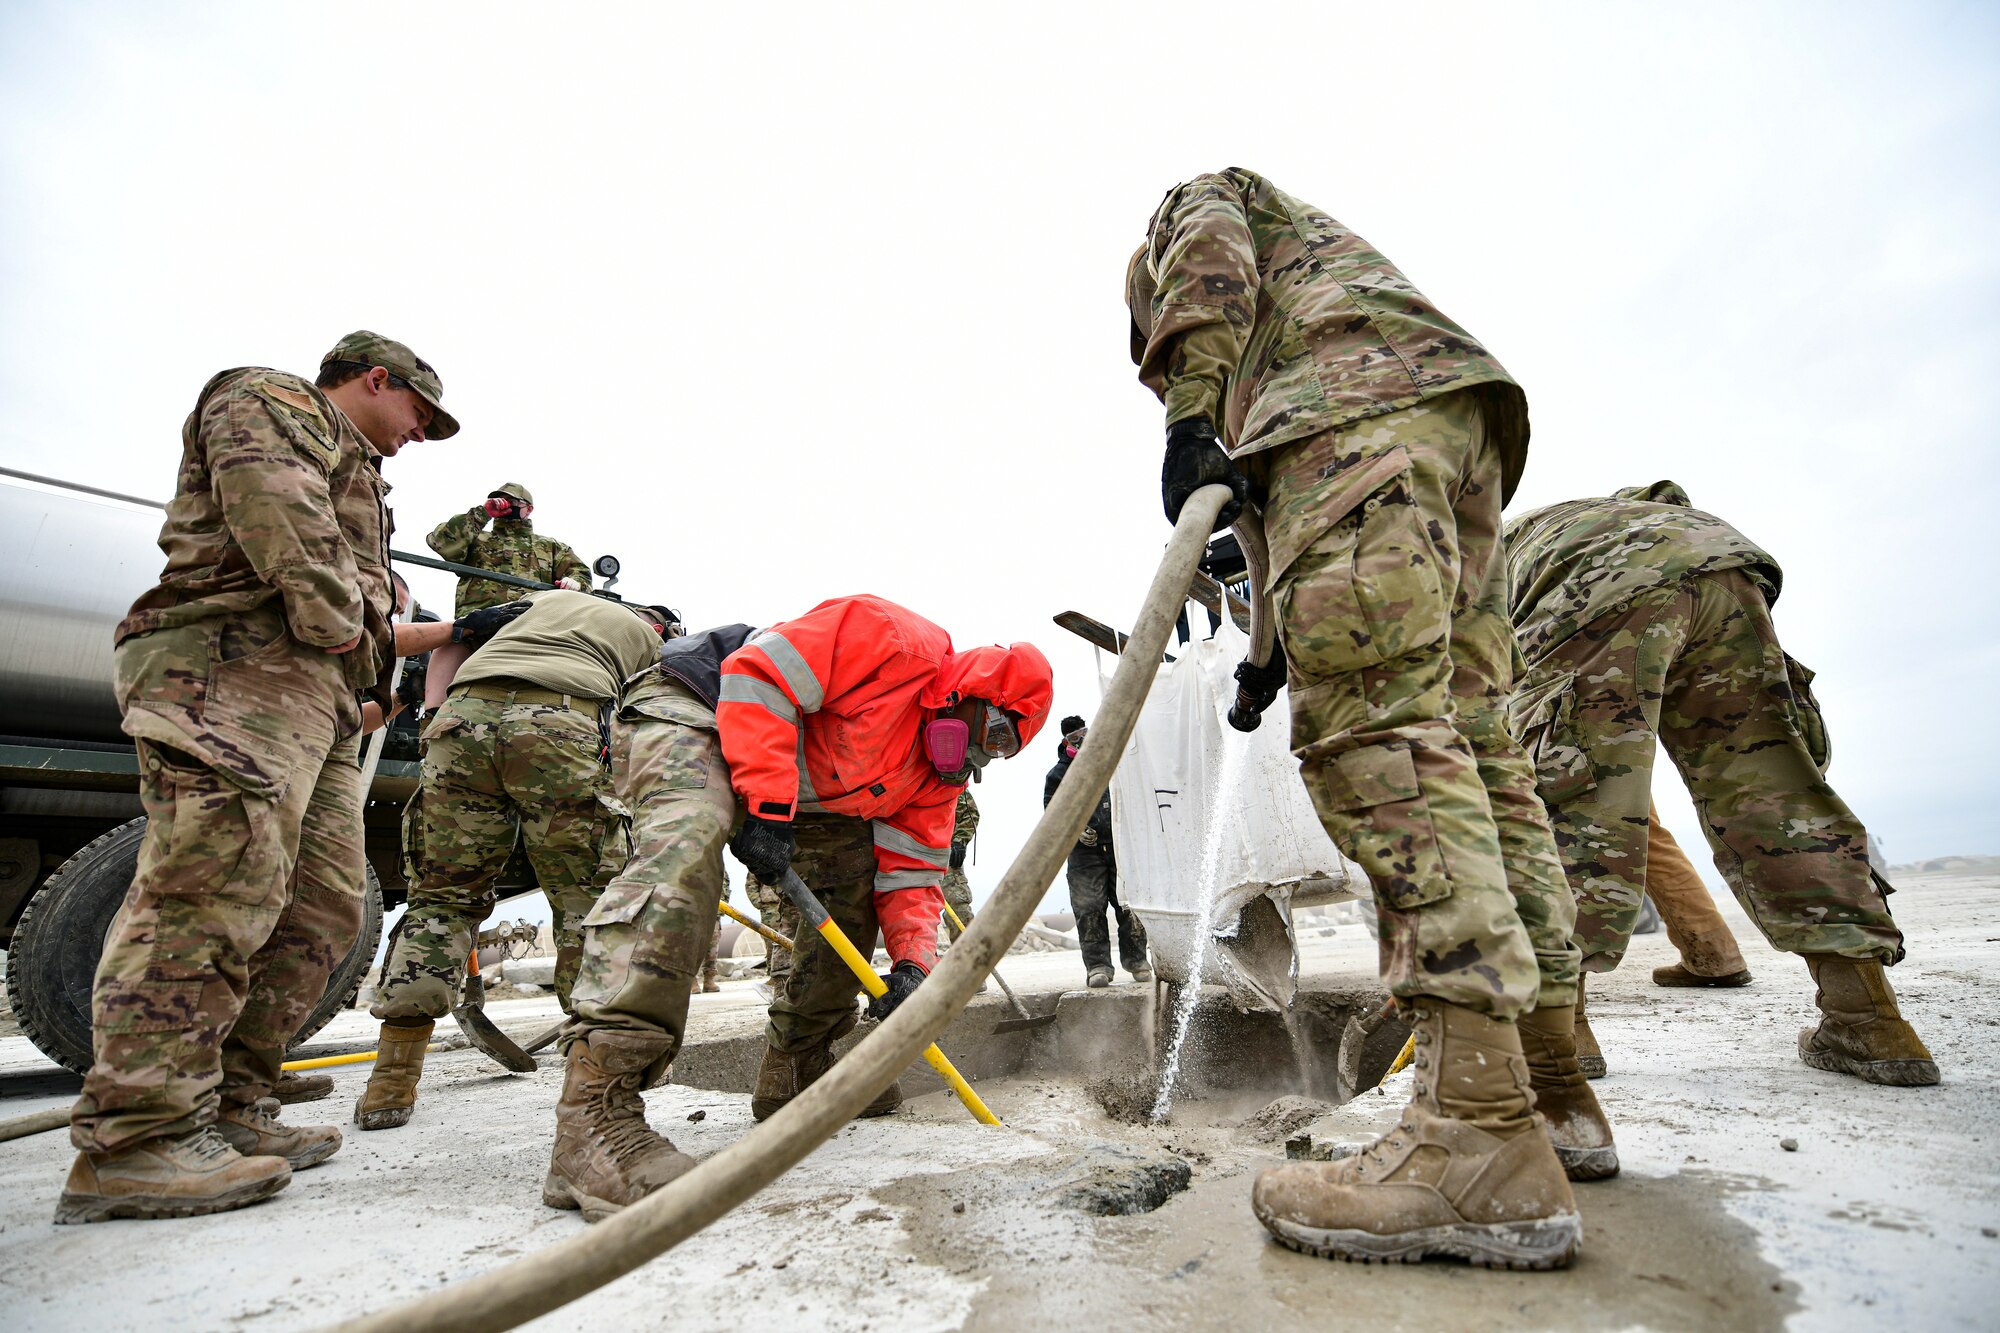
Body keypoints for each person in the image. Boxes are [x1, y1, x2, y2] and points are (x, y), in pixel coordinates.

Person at [1126, 170, 1592, 1267]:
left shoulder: (1203, 216)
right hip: (1451, 431)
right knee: (1473, 748)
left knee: (1378, 741)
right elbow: (1292, 544)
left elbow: (1203, 251)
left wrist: (1190, 413)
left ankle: (1475, 1136)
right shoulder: (1324, 307)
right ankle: (1554, 1091)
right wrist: (1264, 659)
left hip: (1357, 417)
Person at [58, 332, 459, 1225]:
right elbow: (288, 533)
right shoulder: (271, 399)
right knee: (210, 888)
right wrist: (356, 643)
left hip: (310, 698)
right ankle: (136, 1138)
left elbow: (351, 599)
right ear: (375, 379)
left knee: (322, 904)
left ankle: (233, 1106)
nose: (418, 437)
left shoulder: (357, 468)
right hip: (231, 669)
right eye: (419, 416)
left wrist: (371, 677)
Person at [542, 598, 1052, 1221]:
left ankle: (797, 1066)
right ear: (973, 694)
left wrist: (912, 968)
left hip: (785, 771)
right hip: (698, 703)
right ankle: (595, 1116)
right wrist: (769, 804)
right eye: (993, 734)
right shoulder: (892, 640)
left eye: (1002, 753)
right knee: (690, 839)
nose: (981, 756)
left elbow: (913, 880)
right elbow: (758, 675)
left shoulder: (931, 780)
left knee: (858, 882)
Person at [1506, 481, 1935, 1087]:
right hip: (1728, 570)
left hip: (1596, 590)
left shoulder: (1492, 553)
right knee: (1773, 798)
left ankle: (1555, 1038)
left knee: (1571, 804)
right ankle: (1870, 1020)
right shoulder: (1625, 516)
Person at [354, 590, 673, 1131]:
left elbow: (454, 644)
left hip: (460, 719)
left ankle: (390, 1085)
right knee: (586, 904)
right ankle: (600, 1080)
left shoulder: (530, 603)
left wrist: (434, 716)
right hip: (561, 721)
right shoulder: (649, 639)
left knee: (440, 900)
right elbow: (645, 724)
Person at [1044, 717, 1150, 986]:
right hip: (1083, 855)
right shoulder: (1057, 775)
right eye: (1073, 739)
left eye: (1083, 735)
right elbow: (1052, 816)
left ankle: (1137, 961)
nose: (1080, 742)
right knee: (1088, 909)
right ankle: (1098, 967)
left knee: (1128, 905)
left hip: (1121, 846)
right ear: (1065, 742)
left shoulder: (1113, 763)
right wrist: (1076, 830)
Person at [426, 482, 592, 615]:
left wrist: (574, 583)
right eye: (500, 501)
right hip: (476, 622)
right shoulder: (477, 538)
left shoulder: (550, 547)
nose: (505, 505)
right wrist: (483, 513)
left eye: (512, 502)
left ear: (529, 509)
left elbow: (580, 574)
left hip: (528, 623)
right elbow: (441, 542)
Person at [940, 789, 978, 941]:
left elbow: (970, 813)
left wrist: (959, 842)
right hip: (905, 853)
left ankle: (971, 958)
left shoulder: (947, 778)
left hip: (945, 855)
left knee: (958, 907)